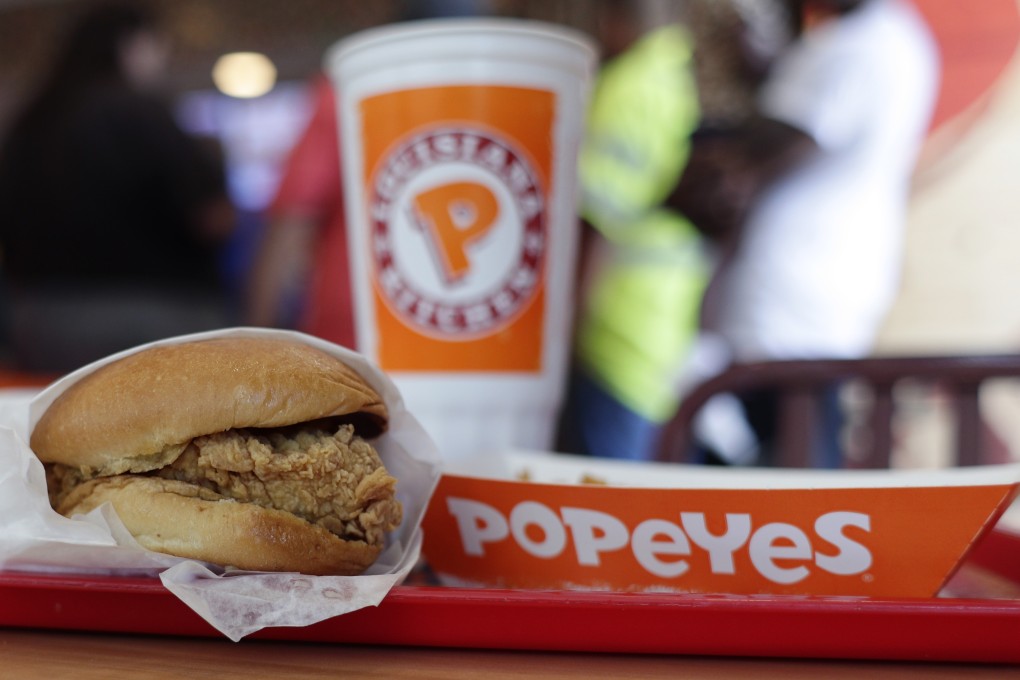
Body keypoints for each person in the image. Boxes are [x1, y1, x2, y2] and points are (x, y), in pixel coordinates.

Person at [692, 0, 941, 466]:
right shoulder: (889, 37)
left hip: (794, 295)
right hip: (813, 286)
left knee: (793, 469)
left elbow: (757, 153)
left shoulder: (857, 45)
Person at [0, 2, 235, 373]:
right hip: (153, 319)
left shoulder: (27, 123)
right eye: (157, 46)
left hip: (38, 323)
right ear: (130, 44)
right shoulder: (139, 110)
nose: (161, 59)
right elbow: (213, 217)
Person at [554, 2, 712, 461]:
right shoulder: (670, 75)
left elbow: (596, 221)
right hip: (652, 325)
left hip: (616, 331)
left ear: (611, 18)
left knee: (604, 501)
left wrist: (564, 331)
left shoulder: (632, 86)